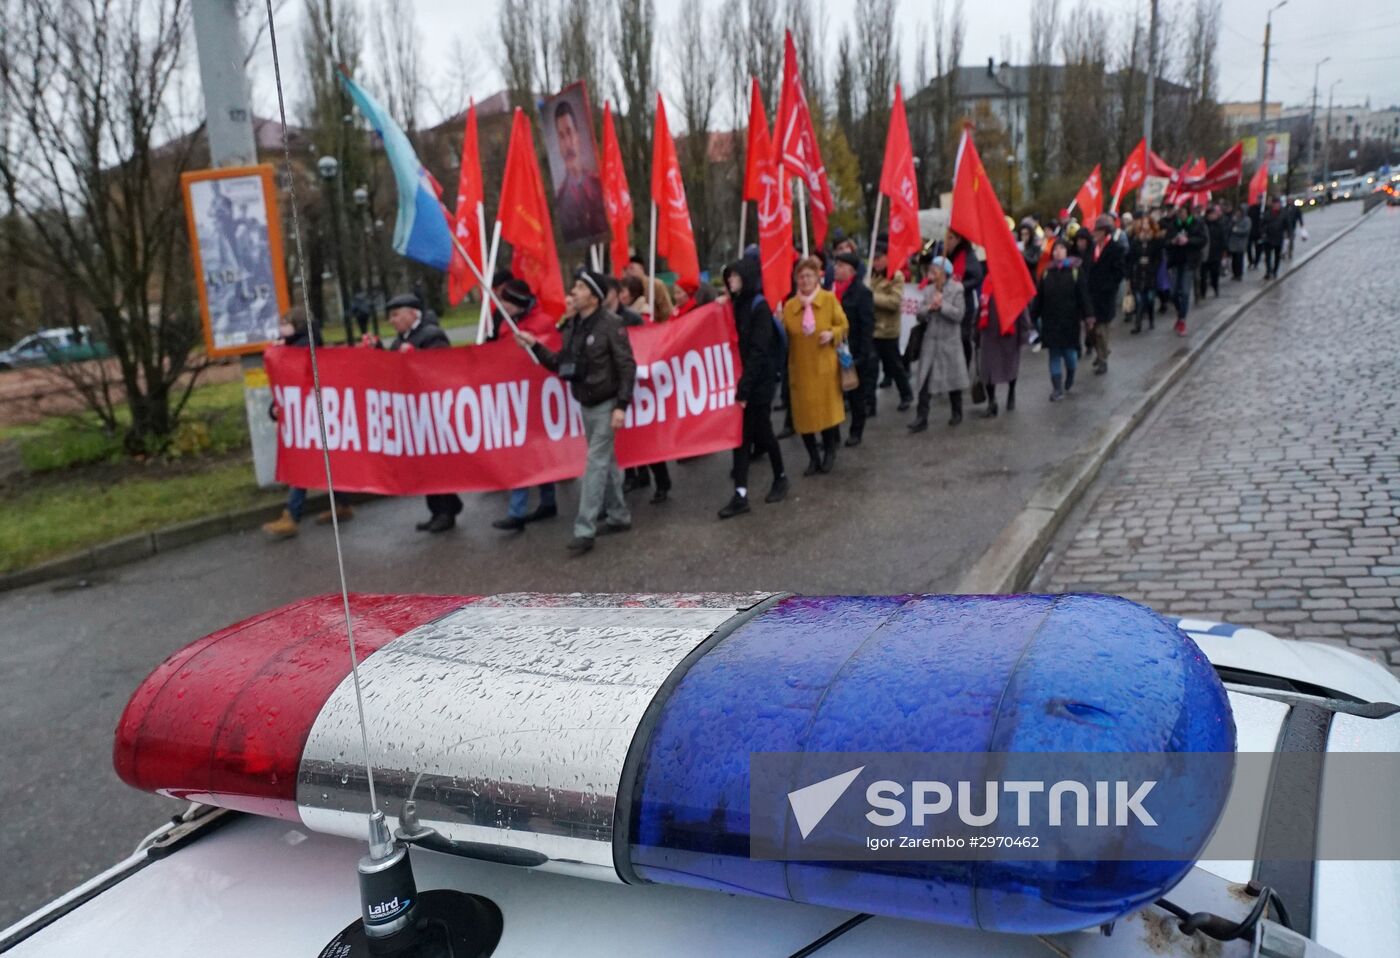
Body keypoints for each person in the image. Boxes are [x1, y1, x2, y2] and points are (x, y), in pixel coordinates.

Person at [515, 268, 635, 555]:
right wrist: (535, 347)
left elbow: (627, 367)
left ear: (593, 296)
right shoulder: (573, 326)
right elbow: (561, 364)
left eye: (580, 287)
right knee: (607, 463)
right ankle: (619, 516)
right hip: (585, 404)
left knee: (594, 464)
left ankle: (585, 529)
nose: (573, 293)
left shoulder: (611, 324)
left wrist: (621, 406)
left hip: (606, 405)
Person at [261, 306, 355, 539]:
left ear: (299, 326)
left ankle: (291, 516)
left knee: (303, 463)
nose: (281, 328)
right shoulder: (296, 346)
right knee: (322, 460)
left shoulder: (301, 348)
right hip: (308, 413)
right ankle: (342, 505)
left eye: (285, 323)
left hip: (311, 414)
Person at [378, 293, 462, 532]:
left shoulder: (431, 335)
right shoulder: (400, 340)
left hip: (432, 411)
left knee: (437, 464)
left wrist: (417, 359)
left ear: (412, 313)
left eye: (395, 315)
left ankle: (446, 511)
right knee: (424, 465)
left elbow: (443, 367)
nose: (391, 320)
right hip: (413, 411)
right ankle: (439, 509)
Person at [717, 257, 787, 518]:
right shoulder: (738, 304)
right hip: (746, 380)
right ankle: (741, 493)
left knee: (761, 432)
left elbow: (758, 352)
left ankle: (779, 477)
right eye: (729, 277)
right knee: (743, 437)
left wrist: (744, 390)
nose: (730, 281)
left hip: (759, 381)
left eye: (735, 276)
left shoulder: (759, 308)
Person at [491, 280, 558, 532]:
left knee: (527, 451)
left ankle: (518, 511)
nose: (502, 305)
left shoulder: (542, 324)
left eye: (506, 301)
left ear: (518, 303)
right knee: (531, 450)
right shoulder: (507, 325)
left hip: (538, 395)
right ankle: (544, 502)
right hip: (517, 395)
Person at [780, 256, 848, 474]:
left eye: (809, 275)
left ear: (817, 277)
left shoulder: (828, 299)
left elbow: (843, 324)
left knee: (826, 413)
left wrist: (833, 333)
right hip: (800, 368)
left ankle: (830, 451)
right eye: (801, 277)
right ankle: (813, 457)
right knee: (804, 417)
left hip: (825, 366)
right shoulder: (790, 306)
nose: (805, 280)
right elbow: (783, 335)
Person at [908, 255, 969, 431]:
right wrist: (929, 308)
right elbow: (919, 313)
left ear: (944, 272)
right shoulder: (928, 291)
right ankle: (921, 417)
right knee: (924, 380)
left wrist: (942, 306)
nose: (931, 272)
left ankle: (957, 411)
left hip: (949, 341)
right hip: (930, 341)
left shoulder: (957, 289)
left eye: (935, 269)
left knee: (952, 380)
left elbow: (959, 315)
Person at [1033, 238, 1092, 402]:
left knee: (1070, 355)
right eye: (1055, 249)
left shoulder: (1075, 271)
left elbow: (1083, 295)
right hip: (1050, 320)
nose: (1057, 252)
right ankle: (1057, 388)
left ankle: (1071, 373)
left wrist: (1089, 315)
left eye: (1061, 248)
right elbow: (1039, 298)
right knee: (1054, 355)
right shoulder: (1046, 272)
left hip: (1069, 321)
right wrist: (1033, 317)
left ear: (1067, 251)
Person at [831, 250, 875, 447]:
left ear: (850, 270)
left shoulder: (862, 292)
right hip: (835, 347)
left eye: (840, 266)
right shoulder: (831, 291)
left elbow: (867, 325)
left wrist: (864, 354)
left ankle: (856, 430)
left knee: (856, 393)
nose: (836, 269)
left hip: (854, 350)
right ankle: (832, 434)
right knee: (834, 393)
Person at [551, 98, 608, 241]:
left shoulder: (599, 186)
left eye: (569, 133)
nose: (567, 144)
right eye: (561, 136)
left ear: (577, 135)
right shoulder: (560, 199)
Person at [869, 240, 913, 413]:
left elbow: (894, 302)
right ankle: (869, 404)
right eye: (874, 259)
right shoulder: (872, 276)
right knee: (871, 368)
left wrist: (871, 297)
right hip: (873, 329)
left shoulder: (896, 276)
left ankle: (906, 394)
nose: (876, 262)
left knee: (894, 365)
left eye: (879, 258)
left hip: (887, 330)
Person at [976, 281, 1028, 417]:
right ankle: (992, 402)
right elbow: (981, 308)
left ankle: (1011, 392)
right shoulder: (987, 284)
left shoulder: (1013, 285)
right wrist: (975, 330)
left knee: (1010, 366)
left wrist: (1024, 334)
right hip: (989, 334)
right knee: (987, 370)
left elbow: (1022, 310)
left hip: (1008, 335)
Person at [1085, 214, 1123, 375]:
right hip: (1092, 294)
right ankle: (1101, 353)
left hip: (1106, 295)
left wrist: (1110, 286)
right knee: (1090, 331)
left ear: (1105, 232)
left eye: (1098, 230)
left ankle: (1103, 360)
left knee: (1101, 330)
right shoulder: (1093, 248)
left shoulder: (1115, 248)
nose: (1094, 233)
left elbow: (1119, 271)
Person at [1163, 204, 1207, 336]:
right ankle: (1180, 313)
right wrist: (1173, 241)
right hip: (1176, 261)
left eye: (1182, 212)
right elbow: (1166, 242)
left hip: (1190, 261)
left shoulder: (1197, 223)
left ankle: (1182, 320)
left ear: (1187, 213)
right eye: (1178, 212)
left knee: (1186, 291)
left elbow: (1203, 240)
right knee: (1174, 292)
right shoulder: (1173, 225)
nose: (1180, 215)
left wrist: (1188, 241)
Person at [944, 229, 983, 367]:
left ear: (958, 239)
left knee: (963, 336)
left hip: (964, 302)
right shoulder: (946, 255)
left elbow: (977, 277)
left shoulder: (967, 256)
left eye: (950, 238)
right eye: (946, 238)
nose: (947, 242)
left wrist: (959, 286)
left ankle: (965, 365)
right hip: (948, 302)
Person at [1127, 214, 1164, 333]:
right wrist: (1130, 271)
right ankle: (1138, 324)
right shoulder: (1136, 240)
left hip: (1150, 274)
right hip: (1138, 273)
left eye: (1147, 223)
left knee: (1150, 298)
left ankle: (1151, 318)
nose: (1145, 226)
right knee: (1138, 299)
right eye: (1143, 223)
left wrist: (1152, 267)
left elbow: (1159, 258)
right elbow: (1131, 257)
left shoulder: (1155, 241)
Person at [625, 256, 673, 322]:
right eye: (626, 269)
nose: (628, 272)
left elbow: (666, 309)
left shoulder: (656, 284)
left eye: (631, 268)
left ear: (641, 268)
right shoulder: (626, 287)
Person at [1197, 205, 1225, 300]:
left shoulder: (1219, 225)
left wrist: (1224, 251)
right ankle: (1203, 292)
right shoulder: (1202, 225)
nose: (1214, 216)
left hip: (1216, 253)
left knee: (1215, 273)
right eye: (1212, 214)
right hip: (1204, 254)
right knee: (1203, 275)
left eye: (1215, 214)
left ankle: (1215, 287)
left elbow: (1222, 239)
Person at [1259, 197, 1287, 279]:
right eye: (1275, 204)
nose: (1277, 206)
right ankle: (1268, 271)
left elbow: (1287, 225)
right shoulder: (1267, 213)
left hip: (1278, 237)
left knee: (1277, 256)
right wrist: (1263, 232)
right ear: (1273, 205)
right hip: (1268, 237)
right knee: (1267, 256)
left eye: (1278, 204)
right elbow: (1262, 224)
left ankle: (1275, 271)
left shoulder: (1283, 214)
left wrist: (1287, 235)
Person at [1226, 206, 1251, 281]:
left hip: (1241, 243)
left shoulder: (1247, 220)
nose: (1238, 213)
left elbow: (1246, 231)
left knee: (1239, 259)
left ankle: (1239, 274)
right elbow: (1229, 228)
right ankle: (1235, 274)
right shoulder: (1234, 219)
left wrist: (1236, 230)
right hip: (1233, 242)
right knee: (1234, 259)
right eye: (1237, 211)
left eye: (1239, 211)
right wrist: (1233, 222)